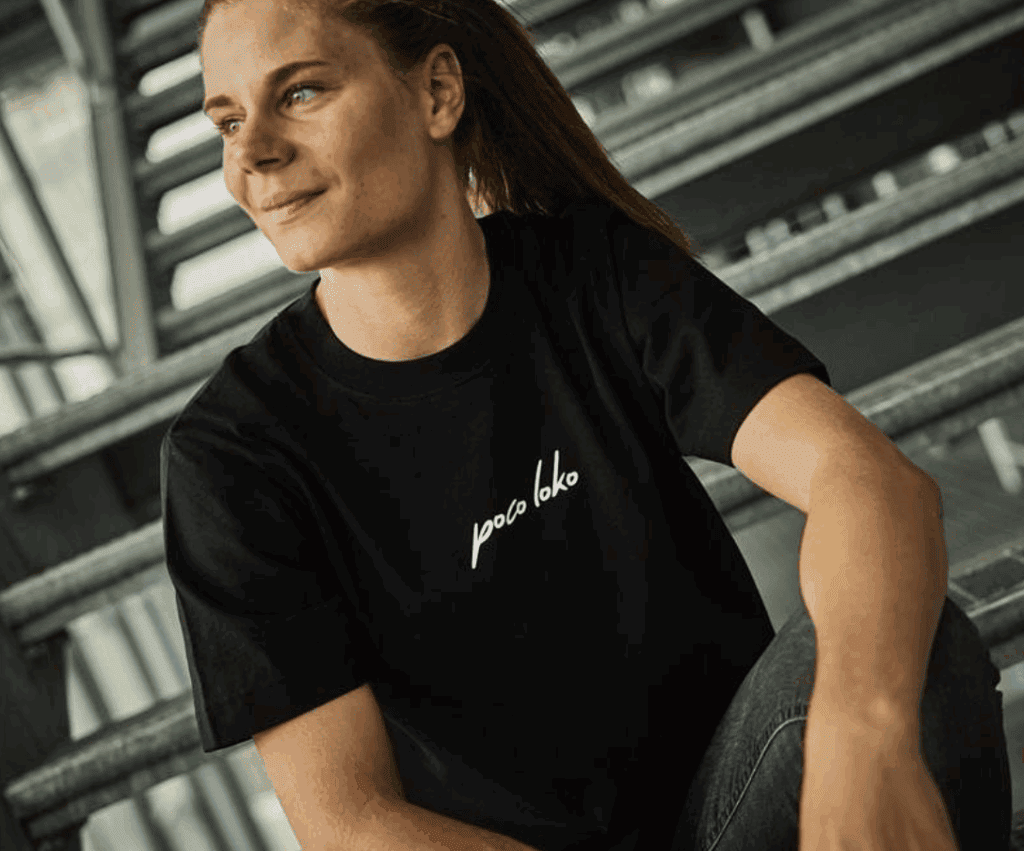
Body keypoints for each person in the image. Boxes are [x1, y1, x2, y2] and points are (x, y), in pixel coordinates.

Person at [160, 0, 1012, 848]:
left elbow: (863, 478)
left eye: (300, 93)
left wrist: (864, 734)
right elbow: (351, 822)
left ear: (437, 92)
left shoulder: (591, 269)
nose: (252, 153)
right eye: (227, 121)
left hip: (740, 802)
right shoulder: (233, 456)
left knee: (903, 645)